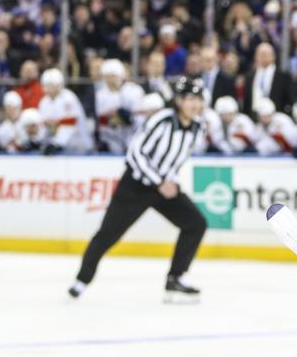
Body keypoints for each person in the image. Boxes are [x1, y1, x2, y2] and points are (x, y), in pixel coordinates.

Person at [68, 77, 208, 303]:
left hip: (164, 187)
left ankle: (175, 278)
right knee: (108, 233)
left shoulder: (197, 126)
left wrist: (169, 181)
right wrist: (159, 181)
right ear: (179, 101)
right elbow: (135, 153)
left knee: (196, 223)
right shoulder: (161, 120)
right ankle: (82, 280)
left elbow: (177, 159)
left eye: (198, 99)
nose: (194, 104)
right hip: (135, 186)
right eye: (189, 99)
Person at [95, 59, 146, 154]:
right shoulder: (101, 94)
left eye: (113, 76)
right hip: (112, 139)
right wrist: (111, 118)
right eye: (107, 77)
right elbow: (101, 121)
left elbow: (141, 119)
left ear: (120, 76)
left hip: (133, 137)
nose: (110, 80)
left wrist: (128, 117)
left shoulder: (134, 91)